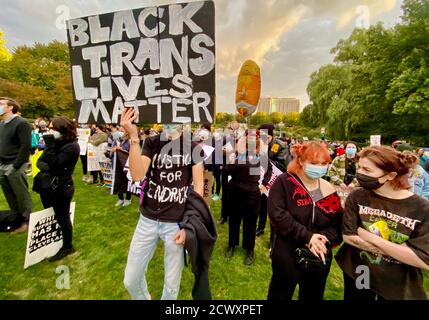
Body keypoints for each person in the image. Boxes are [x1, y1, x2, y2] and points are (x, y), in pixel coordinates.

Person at [121, 109, 204, 300]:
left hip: (175, 224)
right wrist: (134, 137)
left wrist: (190, 225)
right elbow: (137, 175)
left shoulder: (193, 148)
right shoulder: (152, 142)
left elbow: (198, 187)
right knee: (131, 280)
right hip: (147, 220)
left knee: (172, 286)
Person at [335, 146, 429, 300]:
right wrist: (402, 251)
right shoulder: (357, 196)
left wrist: (371, 238)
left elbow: (423, 260)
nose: (360, 173)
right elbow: (349, 236)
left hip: (397, 279)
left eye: (367, 170)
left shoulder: (421, 208)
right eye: (359, 167)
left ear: (390, 175)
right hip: (360, 270)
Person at [267, 141, 343, 301]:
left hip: (319, 254)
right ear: (301, 161)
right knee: (280, 292)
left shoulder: (328, 188)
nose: (320, 167)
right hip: (287, 251)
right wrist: (308, 237)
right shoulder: (284, 182)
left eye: (324, 163)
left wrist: (323, 241)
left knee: (313, 294)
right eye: (314, 163)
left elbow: (337, 223)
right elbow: (278, 215)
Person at [224, 129, 272, 265]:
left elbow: (269, 170)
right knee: (234, 219)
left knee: (250, 221)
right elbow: (227, 171)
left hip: (252, 191)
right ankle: (231, 245)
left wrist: (264, 184)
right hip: (235, 189)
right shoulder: (237, 154)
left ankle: (249, 249)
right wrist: (232, 161)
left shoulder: (261, 155)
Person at [35, 117, 80, 261]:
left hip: (61, 187)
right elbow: (39, 162)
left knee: (62, 217)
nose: (50, 130)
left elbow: (56, 164)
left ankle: (68, 247)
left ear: (62, 129)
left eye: (53, 128)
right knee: (50, 213)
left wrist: (51, 150)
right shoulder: (54, 143)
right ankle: (53, 241)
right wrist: (50, 167)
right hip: (48, 185)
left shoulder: (72, 146)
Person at [0, 97, 33, 233]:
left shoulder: (21, 123)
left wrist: (17, 165)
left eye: (1, 104)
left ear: (10, 107)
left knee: (21, 193)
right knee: (9, 193)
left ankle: (26, 220)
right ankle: (16, 218)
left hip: (15, 164)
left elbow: (25, 146)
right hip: (2, 164)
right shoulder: (2, 124)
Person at [256, 123, 291, 238]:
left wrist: (265, 159)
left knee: (273, 209)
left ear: (270, 135)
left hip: (275, 182)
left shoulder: (280, 146)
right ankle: (260, 228)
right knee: (261, 206)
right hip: (262, 180)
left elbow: (283, 165)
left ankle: (273, 237)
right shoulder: (259, 144)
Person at [109, 127, 132, 207]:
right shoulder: (116, 140)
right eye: (121, 130)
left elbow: (133, 154)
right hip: (116, 164)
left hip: (126, 165)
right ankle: (120, 198)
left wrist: (122, 150)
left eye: (123, 130)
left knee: (128, 181)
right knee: (117, 181)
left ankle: (128, 199)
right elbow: (110, 152)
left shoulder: (131, 141)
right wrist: (113, 150)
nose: (122, 132)